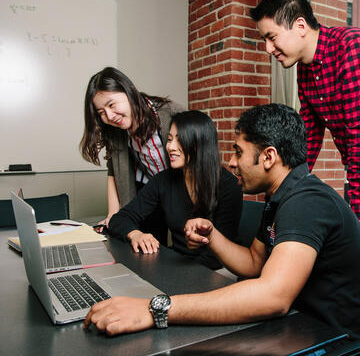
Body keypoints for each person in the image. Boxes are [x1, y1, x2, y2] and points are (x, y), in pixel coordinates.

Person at [83, 103, 360, 339]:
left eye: (238, 152)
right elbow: (254, 263)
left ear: (268, 157)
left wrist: (154, 308)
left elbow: (273, 297)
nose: (230, 161)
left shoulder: (307, 202)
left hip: (334, 337)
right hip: (299, 326)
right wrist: (212, 236)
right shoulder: (280, 199)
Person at [250, 0, 360, 220]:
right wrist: (283, 191)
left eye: (272, 37)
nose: (268, 49)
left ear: (300, 26)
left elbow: (358, 136)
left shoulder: (350, 46)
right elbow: (307, 139)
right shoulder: (305, 69)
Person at [107, 110, 243, 270]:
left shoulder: (228, 185)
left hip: (217, 270)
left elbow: (217, 257)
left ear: (199, 144)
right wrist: (135, 234)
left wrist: (172, 274)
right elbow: (120, 219)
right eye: (169, 139)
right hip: (179, 264)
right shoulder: (163, 180)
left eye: (179, 140)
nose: (170, 147)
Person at [80, 67, 184, 243]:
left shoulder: (171, 113)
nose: (110, 116)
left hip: (181, 189)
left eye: (112, 105)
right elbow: (113, 170)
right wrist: (113, 214)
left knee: (185, 246)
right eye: (101, 112)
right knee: (146, 247)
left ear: (129, 92)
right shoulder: (116, 130)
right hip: (150, 191)